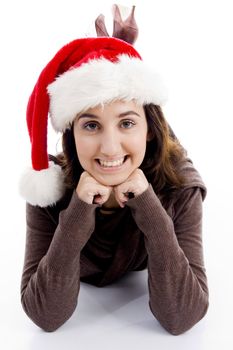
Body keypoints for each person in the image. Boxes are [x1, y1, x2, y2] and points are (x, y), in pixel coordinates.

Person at [19, 6, 209, 335]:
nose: (109, 147)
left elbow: (181, 319)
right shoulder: (50, 191)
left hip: (156, 166)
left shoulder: (180, 187)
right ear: (71, 134)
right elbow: (45, 316)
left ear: (148, 128)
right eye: (90, 125)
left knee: (162, 149)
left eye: (126, 123)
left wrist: (150, 207)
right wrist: (78, 211)